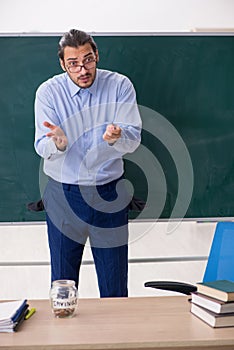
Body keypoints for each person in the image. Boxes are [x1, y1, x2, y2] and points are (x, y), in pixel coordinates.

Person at [34, 29, 142, 298]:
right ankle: (64, 340)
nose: (82, 69)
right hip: (63, 195)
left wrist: (118, 138)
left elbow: (134, 140)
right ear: (62, 64)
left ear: (97, 56)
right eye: (73, 63)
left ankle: (117, 340)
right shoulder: (48, 92)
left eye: (88, 60)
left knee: (114, 285)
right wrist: (58, 144)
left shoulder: (119, 86)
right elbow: (41, 146)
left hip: (109, 193)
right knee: (63, 286)